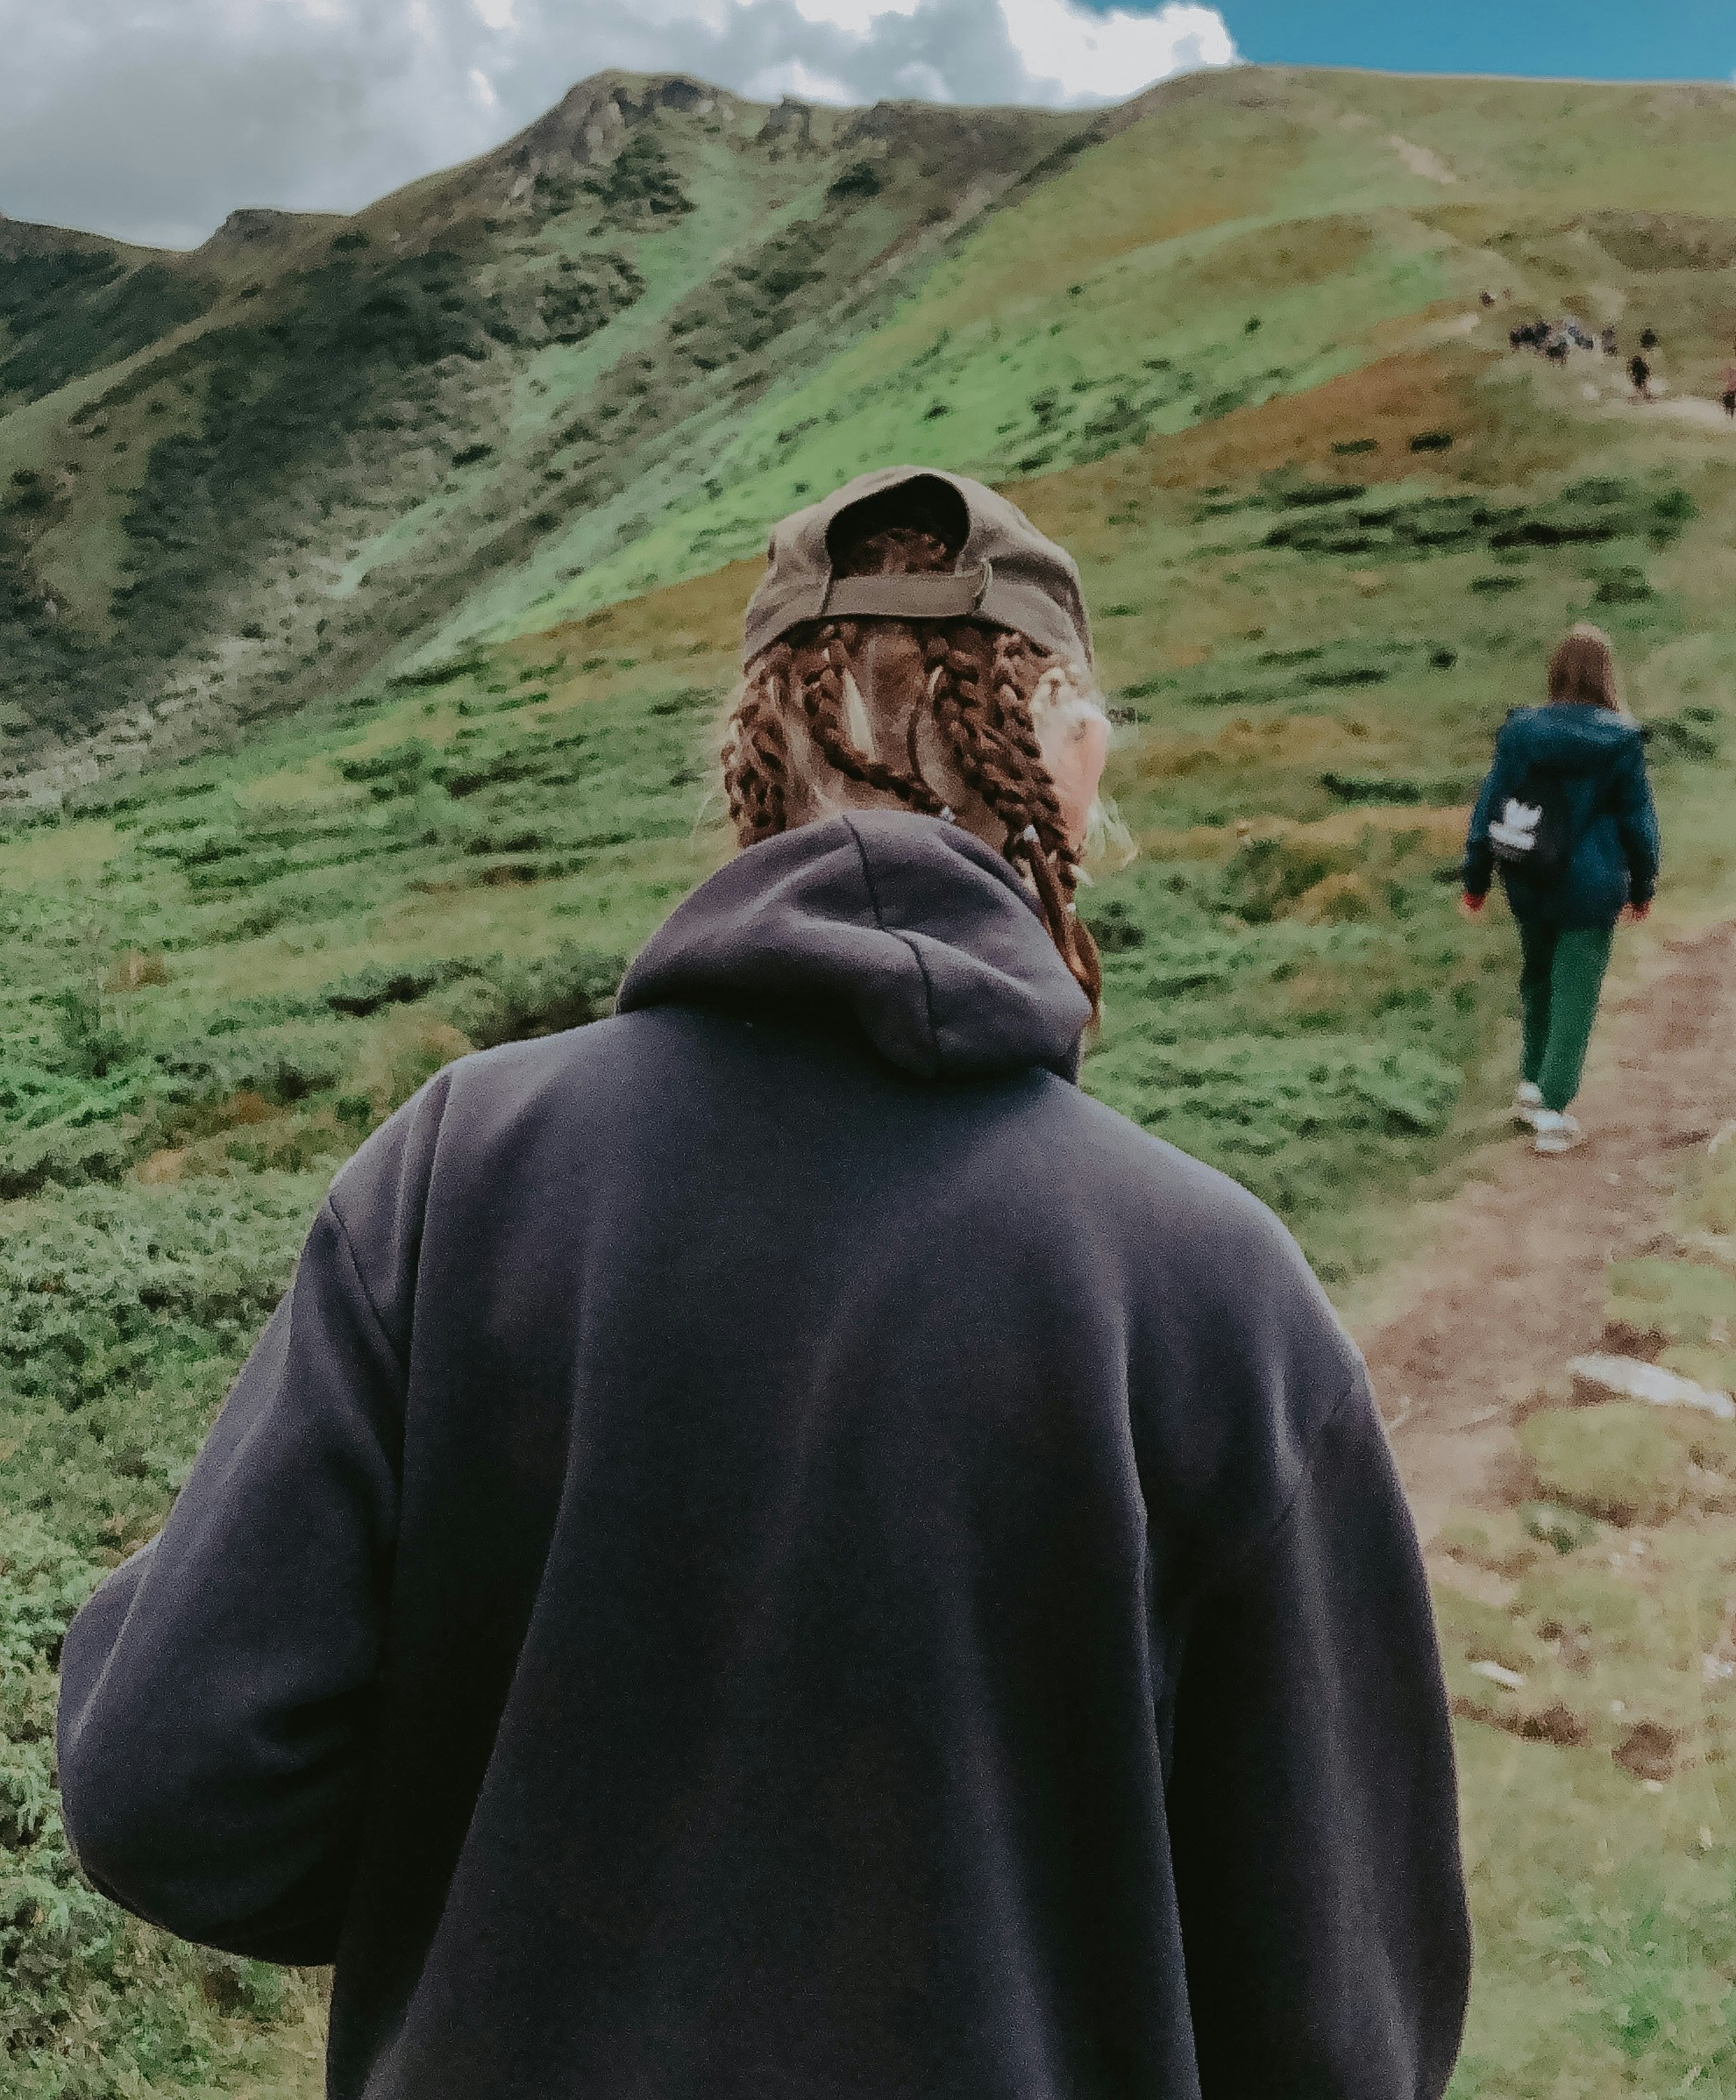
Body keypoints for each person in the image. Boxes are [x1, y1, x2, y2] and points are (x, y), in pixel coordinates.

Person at [57, 466, 1469, 2100]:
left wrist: (482, 1901)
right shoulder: (1219, 1291)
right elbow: (1348, 2026)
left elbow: (166, 1784)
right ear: (1069, 773)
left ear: (751, 758)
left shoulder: (459, 1175)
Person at [1462, 623, 1660, 1156]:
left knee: (1538, 978)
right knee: (1575, 993)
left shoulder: (1521, 732)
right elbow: (1637, 819)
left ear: (1556, 671)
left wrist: (1476, 877)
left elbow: (1491, 803)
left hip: (1528, 875)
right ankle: (1553, 1111)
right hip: (1592, 885)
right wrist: (1644, 884)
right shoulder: (1620, 741)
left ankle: (1532, 1084)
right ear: (1605, 675)